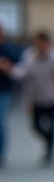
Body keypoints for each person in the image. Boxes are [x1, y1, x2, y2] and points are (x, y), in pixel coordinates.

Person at [10, 31, 54, 165]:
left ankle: (50, 151)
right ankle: (48, 141)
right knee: (35, 126)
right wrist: (9, 70)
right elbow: (24, 76)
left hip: (53, 97)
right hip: (37, 98)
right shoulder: (30, 56)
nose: (38, 46)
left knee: (52, 126)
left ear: (47, 43)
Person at [0, 22, 23, 167]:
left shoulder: (9, 50)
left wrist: (6, 67)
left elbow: (19, 72)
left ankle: (1, 154)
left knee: (1, 124)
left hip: (4, 91)